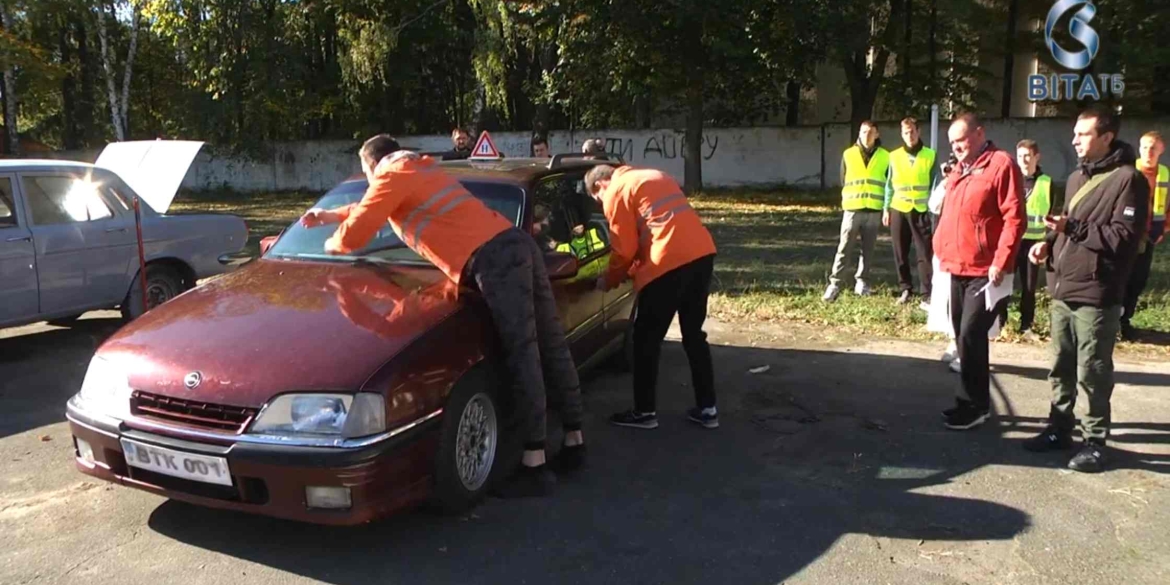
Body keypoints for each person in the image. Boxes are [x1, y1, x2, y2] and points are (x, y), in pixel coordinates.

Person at [300, 134, 585, 496]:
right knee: (550, 342)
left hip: (494, 260)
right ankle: (575, 440)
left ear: (372, 164)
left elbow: (357, 232)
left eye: (367, 174)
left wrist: (330, 243)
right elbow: (372, 207)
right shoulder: (416, 168)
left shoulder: (391, 174)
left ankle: (535, 463)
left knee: (523, 352)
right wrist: (328, 215)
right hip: (514, 245)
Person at [1023, 107, 1149, 472]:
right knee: (1059, 366)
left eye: (1083, 134)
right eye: (1075, 133)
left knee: (1092, 370)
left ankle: (1094, 442)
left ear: (1107, 137)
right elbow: (1067, 220)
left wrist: (1073, 229)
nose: (1074, 139)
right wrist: (1047, 241)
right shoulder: (1078, 176)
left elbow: (1124, 240)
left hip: (1097, 292)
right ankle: (1058, 429)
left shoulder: (1129, 180)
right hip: (1063, 287)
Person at [584, 164, 719, 430]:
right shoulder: (654, 175)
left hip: (667, 264)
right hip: (702, 255)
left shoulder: (617, 190)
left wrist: (609, 281)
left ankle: (644, 412)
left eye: (597, 200)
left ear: (600, 185)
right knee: (694, 335)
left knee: (646, 339)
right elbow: (657, 226)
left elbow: (623, 249)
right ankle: (708, 408)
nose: (602, 205)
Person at [933, 112, 1025, 431]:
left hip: (986, 270)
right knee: (961, 333)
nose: (957, 146)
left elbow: (1014, 218)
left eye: (961, 139)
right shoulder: (960, 169)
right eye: (952, 142)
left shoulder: (1001, 164)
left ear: (979, 133)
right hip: (957, 265)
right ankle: (971, 401)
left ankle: (974, 405)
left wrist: (1001, 260)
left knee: (972, 333)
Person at [824, 120, 888, 301]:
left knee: (868, 249)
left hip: (874, 209)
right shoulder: (849, 154)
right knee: (844, 247)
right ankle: (835, 283)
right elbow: (844, 179)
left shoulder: (885, 156)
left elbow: (888, 181)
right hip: (853, 208)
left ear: (877, 134)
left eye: (870, 132)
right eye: (863, 131)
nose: (866, 135)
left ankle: (862, 281)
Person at [883, 117, 937, 306]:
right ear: (901, 134)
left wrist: (934, 208)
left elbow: (935, 183)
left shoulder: (930, 155)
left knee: (924, 252)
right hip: (899, 208)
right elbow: (889, 185)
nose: (910, 135)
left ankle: (926, 293)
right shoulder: (894, 156)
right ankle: (906, 288)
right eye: (906, 132)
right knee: (900, 252)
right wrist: (886, 208)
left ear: (919, 131)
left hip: (921, 210)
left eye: (912, 131)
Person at [1120, 131, 1167, 339]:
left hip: (1149, 237)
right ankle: (1115, 321)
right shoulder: (1128, 171)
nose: (1149, 151)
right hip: (1125, 234)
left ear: (1162, 150)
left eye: (1153, 148)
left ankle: (1125, 321)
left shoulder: (1165, 175)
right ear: (1139, 148)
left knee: (1138, 281)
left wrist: (1162, 229)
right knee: (1121, 278)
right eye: (1146, 147)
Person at [1005, 139, 1053, 341]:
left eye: (1027, 156)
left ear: (1036, 157)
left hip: (1033, 242)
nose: (1023, 160)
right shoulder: (1011, 179)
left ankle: (1026, 326)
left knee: (1029, 286)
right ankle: (999, 323)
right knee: (1004, 283)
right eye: (1020, 156)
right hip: (1012, 240)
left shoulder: (1047, 183)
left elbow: (1051, 214)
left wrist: (1047, 243)